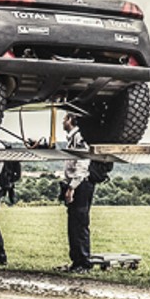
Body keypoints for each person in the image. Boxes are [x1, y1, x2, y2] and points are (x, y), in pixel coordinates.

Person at [58, 112, 95, 272]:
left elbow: (82, 164)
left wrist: (72, 188)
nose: (62, 121)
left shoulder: (79, 137)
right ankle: (76, 262)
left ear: (71, 120)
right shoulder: (73, 138)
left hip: (81, 184)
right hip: (76, 184)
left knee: (79, 224)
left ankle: (83, 263)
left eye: (65, 118)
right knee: (74, 224)